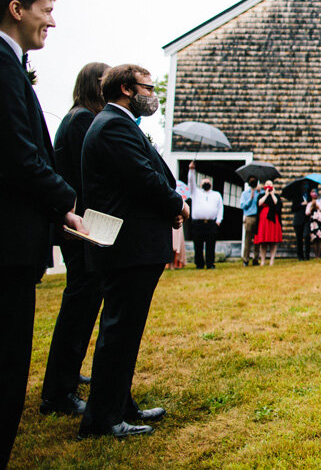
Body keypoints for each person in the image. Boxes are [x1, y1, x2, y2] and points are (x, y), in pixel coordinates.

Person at [0, 0, 85, 466]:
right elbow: (18, 156)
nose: (53, 22)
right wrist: (65, 201)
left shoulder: (3, 62)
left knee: (3, 365)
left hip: (5, 242)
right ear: (16, 9)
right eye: (47, 9)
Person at [79, 64, 188, 439]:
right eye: (148, 87)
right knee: (120, 331)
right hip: (128, 247)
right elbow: (144, 178)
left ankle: (119, 405)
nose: (153, 94)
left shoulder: (121, 124)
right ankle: (103, 419)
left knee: (125, 330)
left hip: (135, 246)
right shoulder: (113, 125)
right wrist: (177, 204)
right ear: (126, 89)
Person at [40, 62, 109, 418]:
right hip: (80, 225)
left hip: (78, 224)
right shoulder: (82, 120)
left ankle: (66, 375)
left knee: (82, 301)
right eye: (106, 79)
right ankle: (58, 391)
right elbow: (93, 171)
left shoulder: (75, 117)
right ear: (94, 84)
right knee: (79, 304)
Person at [187, 162, 224, 269]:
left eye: (208, 182)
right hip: (197, 223)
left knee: (210, 245)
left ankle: (210, 263)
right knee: (198, 245)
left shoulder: (216, 194)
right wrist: (191, 170)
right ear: (201, 184)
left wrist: (219, 220)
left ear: (211, 184)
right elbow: (191, 182)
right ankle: (199, 264)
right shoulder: (195, 192)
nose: (206, 183)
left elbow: (220, 208)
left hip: (211, 223)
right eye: (204, 182)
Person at [254, 181, 282, 266]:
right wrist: (266, 195)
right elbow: (259, 204)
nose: (268, 186)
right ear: (264, 186)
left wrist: (272, 194)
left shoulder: (276, 196)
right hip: (263, 220)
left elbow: (278, 204)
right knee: (263, 241)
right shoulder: (261, 195)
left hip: (273, 219)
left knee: (273, 241)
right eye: (267, 184)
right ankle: (263, 260)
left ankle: (272, 260)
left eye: (270, 184)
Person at [239, 176, 260, 266]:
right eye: (251, 180)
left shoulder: (260, 192)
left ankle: (255, 258)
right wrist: (250, 199)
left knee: (257, 239)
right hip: (249, 217)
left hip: (258, 217)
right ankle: (245, 259)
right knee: (248, 239)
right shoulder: (245, 193)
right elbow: (243, 206)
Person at [305, 188, 321, 258]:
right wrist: (312, 206)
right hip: (313, 222)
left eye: (315, 192)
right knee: (314, 238)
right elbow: (307, 213)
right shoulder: (309, 203)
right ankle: (316, 255)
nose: (314, 193)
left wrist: (317, 206)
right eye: (312, 192)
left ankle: (319, 254)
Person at [290, 181, 309, 261]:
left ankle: (307, 255)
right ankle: (300, 256)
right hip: (298, 220)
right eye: (303, 186)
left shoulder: (309, 197)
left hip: (307, 219)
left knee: (307, 236)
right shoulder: (296, 197)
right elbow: (293, 208)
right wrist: (301, 204)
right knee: (299, 239)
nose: (305, 188)